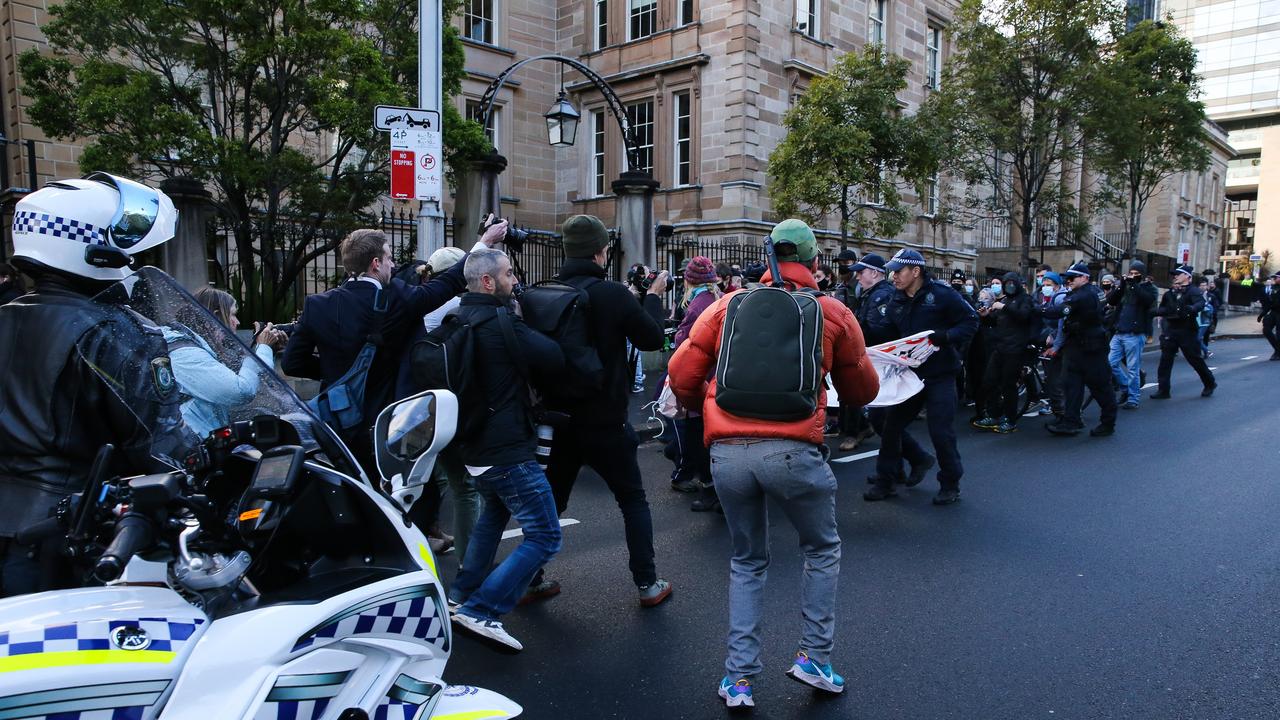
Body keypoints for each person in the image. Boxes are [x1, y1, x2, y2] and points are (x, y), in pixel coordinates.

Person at [667, 219, 879, 709]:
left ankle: (738, 679)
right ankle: (815, 659)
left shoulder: (727, 305)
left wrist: (705, 403)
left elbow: (682, 370)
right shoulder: (832, 311)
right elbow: (861, 392)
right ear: (814, 263)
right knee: (820, 549)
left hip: (728, 454)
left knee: (747, 560)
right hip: (794, 452)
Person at [0, 174, 192, 596]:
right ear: (92, 250)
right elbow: (158, 443)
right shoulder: (114, 331)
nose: (132, 260)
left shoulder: (7, 314)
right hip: (71, 533)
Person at [282, 226, 497, 475]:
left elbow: (292, 363)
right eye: (389, 258)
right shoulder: (397, 298)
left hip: (339, 422)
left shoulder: (317, 305)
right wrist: (484, 242)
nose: (393, 266)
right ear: (376, 263)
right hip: (390, 425)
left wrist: (336, 372)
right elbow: (446, 284)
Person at [538, 214, 673, 608]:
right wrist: (652, 295)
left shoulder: (545, 291)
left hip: (558, 419)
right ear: (602, 251)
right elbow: (650, 338)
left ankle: (531, 577)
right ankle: (647, 583)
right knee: (632, 500)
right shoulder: (612, 294)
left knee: (552, 503)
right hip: (605, 419)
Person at [445, 248, 565, 652]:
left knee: (492, 517)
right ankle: (483, 609)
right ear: (487, 282)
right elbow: (553, 357)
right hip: (507, 449)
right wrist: (521, 315)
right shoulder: (500, 322)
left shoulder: (457, 318)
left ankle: (460, 593)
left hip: (473, 445)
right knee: (545, 535)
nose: (515, 281)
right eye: (509, 275)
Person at [865, 249, 978, 506]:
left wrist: (946, 337)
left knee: (940, 432)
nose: (893, 276)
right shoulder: (896, 299)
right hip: (910, 375)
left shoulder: (942, 295)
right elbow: (889, 334)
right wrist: (864, 331)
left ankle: (950, 483)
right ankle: (887, 480)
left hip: (940, 375)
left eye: (898, 271)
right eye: (892, 271)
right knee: (890, 427)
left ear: (915, 272)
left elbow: (970, 322)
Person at [396, 244, 475, 558]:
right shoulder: (454, 303)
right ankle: (472, 563)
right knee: (463, 485)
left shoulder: (416, 300)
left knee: (427, 476)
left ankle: (426, 532)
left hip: (415, 403)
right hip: (443, 405)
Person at [163, 287, 287, 439]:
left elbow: (246, 377)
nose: (237, 322)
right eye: (233, 315)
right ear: (215, 317)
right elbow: (241, 391)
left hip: (200, 439)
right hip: (187, 445)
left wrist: (268, 349)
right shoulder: (187, 355)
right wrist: (263, 347)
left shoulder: (197, 347)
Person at [854, 253, 927, 480]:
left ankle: (909, 463)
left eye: (861, 272)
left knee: (884, 419)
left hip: (888, 365)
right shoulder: (871, 296)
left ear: (874, 273)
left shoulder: (883, 296)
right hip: (879, 363)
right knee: (882, 419)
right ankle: (900, 468)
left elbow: (884, 331)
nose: (857, 277)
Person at [1039, 263, 1119, 437]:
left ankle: (1108, 423)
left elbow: (1061, 310)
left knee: (1100, 387)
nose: (1069, 281)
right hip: (1075, 346)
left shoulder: (1085, 295)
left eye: (1072, 277)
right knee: (1071, 386)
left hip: (1092, 349)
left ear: (1084, 278)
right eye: (1067, 278)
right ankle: (1071, 421)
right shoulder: (1086, 292)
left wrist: (1038, 309)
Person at [670, 257, 721, 512]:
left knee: (698, 434)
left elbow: (687, 343)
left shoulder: (698, 304)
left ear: (690, 280)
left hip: (699, 377)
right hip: (711, 376)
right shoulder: (714, 300)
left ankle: (711, 489)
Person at [972, 272, 1035, 434]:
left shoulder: (1024, 300)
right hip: (1000, 348)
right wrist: (985, 316)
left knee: (1008, 385)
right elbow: (995, 322)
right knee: (990, 381)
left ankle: (1010, 419)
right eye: (1007, 284)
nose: (1010, 287)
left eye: (1012, 284)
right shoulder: (1004, 300)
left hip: (1015, 350)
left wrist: (1004, 307)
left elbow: (1023, 316)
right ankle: (993, 415)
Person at [1152, 265, 1217, 399]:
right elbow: (1163, 308)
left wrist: (1191, 308)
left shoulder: (1193, 291)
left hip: (1187, 330)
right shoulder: (1170, 293)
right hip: (1171, 329)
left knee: (1194, 359)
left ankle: (1209, 383)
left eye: (1178, 274)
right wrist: (1154, 312)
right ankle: (1163, 390)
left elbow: (1200, 304)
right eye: (1174, 275)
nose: (1175, 276)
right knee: (1165, 360)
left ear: (1187, 276)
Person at [1106, 261, 1157, 410]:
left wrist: (1134, 285)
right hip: (1119, 332)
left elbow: (1147, 301)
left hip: (1135, 334)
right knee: (1110, 363)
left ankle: (1133, 398)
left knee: (1133, 368)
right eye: (1131, 273)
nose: (1133, 276)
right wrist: (1122, 284)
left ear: (1142, 275)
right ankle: (1125, 388)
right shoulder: (1125, 288)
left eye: (1136, 274)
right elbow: (1111, 300)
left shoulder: (1149, 289)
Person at [1259, 271, 1280, 360]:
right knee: (1266, 330)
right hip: (1274, 312)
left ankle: (1277, 353)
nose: (1274, 279)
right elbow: (1269, 303)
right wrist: (1262, 315)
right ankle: (1278, 349)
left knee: (1279, 333)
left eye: (1276, 277)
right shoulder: (1273, 288)